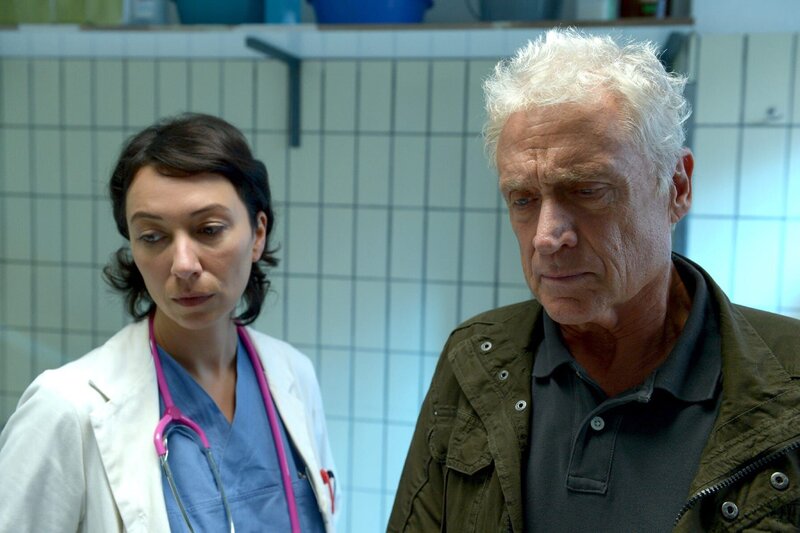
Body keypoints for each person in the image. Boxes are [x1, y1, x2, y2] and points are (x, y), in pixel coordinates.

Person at [388, 28, 800, 532]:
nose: (546, 237)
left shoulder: (790, 383)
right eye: (523, 199)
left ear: (677, 186)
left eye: (587, 190)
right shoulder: (474, 361)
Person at [0, 113, 338, 532]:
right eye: (152, 236)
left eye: (208, 229)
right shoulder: (65, 409)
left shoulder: (293, 376)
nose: (183, 264)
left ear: (257, 234)